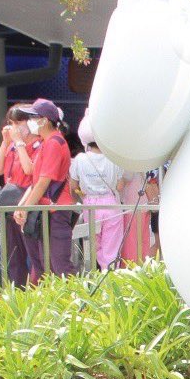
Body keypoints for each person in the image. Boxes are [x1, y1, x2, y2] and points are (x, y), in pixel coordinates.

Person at [12, 99, 76, 281]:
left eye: (33, 117)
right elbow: (36, 180)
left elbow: (43, 182)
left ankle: (77, 298)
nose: (29, 121)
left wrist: (25, 208)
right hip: (48, 210)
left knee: (59, 265)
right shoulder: (47, 142)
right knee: (46, 265)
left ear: (45, 120)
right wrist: (23, 206)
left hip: (56, 210)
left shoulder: (54, 143)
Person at [0, 104, 39, 285]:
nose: (14, 127)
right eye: (11, 123)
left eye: (18, 122)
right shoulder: (11, 146)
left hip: (29, 207)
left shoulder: (38, 145)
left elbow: (29, 170)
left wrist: (19, 143)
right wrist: (5, 143)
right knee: (13, 256)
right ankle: (16, 291)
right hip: (9, 206)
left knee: (34, 257)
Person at [70, 115, 125, 269]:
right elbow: (120, 186)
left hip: (90, 206)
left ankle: (97, 273)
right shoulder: (114, 158)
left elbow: (73, 185)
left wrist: (81, 194)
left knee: (93, 246)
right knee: (112, 247)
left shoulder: (80, 159)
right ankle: (109, 274)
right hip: (111, 205)